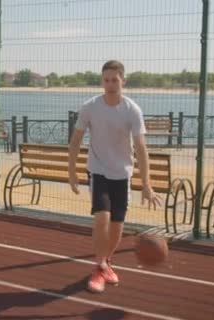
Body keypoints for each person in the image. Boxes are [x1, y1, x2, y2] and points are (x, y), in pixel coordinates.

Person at [68, 60, 163, 293]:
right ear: (102, 81)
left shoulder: (132, 110)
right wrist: (71, 172)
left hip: (122, 173)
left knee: (117, 225)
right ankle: (99, 266)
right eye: (106, 80)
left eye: (114, 80)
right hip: (98, 170)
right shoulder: (90, 107)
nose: (110, 84)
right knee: (102, 217)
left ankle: (105, 262)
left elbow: (141, 148)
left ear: (123, 81)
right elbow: (76, 141)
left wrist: (147, 184)